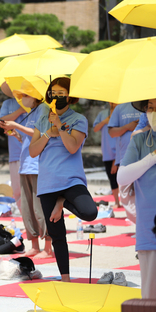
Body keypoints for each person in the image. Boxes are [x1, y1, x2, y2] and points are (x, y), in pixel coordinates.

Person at [28, 77, 97, 282]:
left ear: (70, 95)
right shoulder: (42, 120)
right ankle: (65, 279)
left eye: (62, 93)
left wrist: (60, 126)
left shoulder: (78, 119)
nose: (57, 97)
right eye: (54, 93)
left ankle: (63, 201)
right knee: (57, 235)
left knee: (89, 212)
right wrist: (49, 133)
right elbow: (33, 151)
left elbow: (73, 146)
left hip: (71, 179)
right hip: (48, 183)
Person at [117, 98, 156, 300]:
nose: (153, 112)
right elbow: (122, 177)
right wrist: (155, 155)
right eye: (150, 108)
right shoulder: (140, 140)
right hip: (151, 231)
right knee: (152, 301)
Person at [0, 80, 52, 259]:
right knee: (27, 208)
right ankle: (35, 245)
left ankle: (48, 247)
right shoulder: (31, 112)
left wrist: (16, 126)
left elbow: (41, 134)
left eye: (25, 95)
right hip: (26, 164)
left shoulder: (44, 109)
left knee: (40, 208)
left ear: (35, 95)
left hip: (37, 165)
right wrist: (17, 135)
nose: (22, 99)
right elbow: (29, 138)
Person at [0, 82, 26, 208]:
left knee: (34, 191)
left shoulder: (35, 103)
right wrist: (20, 110)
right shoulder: (8, 103)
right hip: (15, 152)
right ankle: (26, 222)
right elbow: (2, 121)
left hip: (34, 152)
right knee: (17, 190)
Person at [108, 101, 141, 192]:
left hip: (146, 155)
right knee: (126, 193)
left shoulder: (149, 105)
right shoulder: (120, 108)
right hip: (125, 156)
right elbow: (112, 133)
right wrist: (127, 127)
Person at [94, 102, 119, 207]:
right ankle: (117, 202)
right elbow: (95, 129)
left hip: (120, 152)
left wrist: (116, 159)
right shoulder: (103, 113)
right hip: (107, 152)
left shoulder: (122, 115)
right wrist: (105, 121)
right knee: (112, 178)